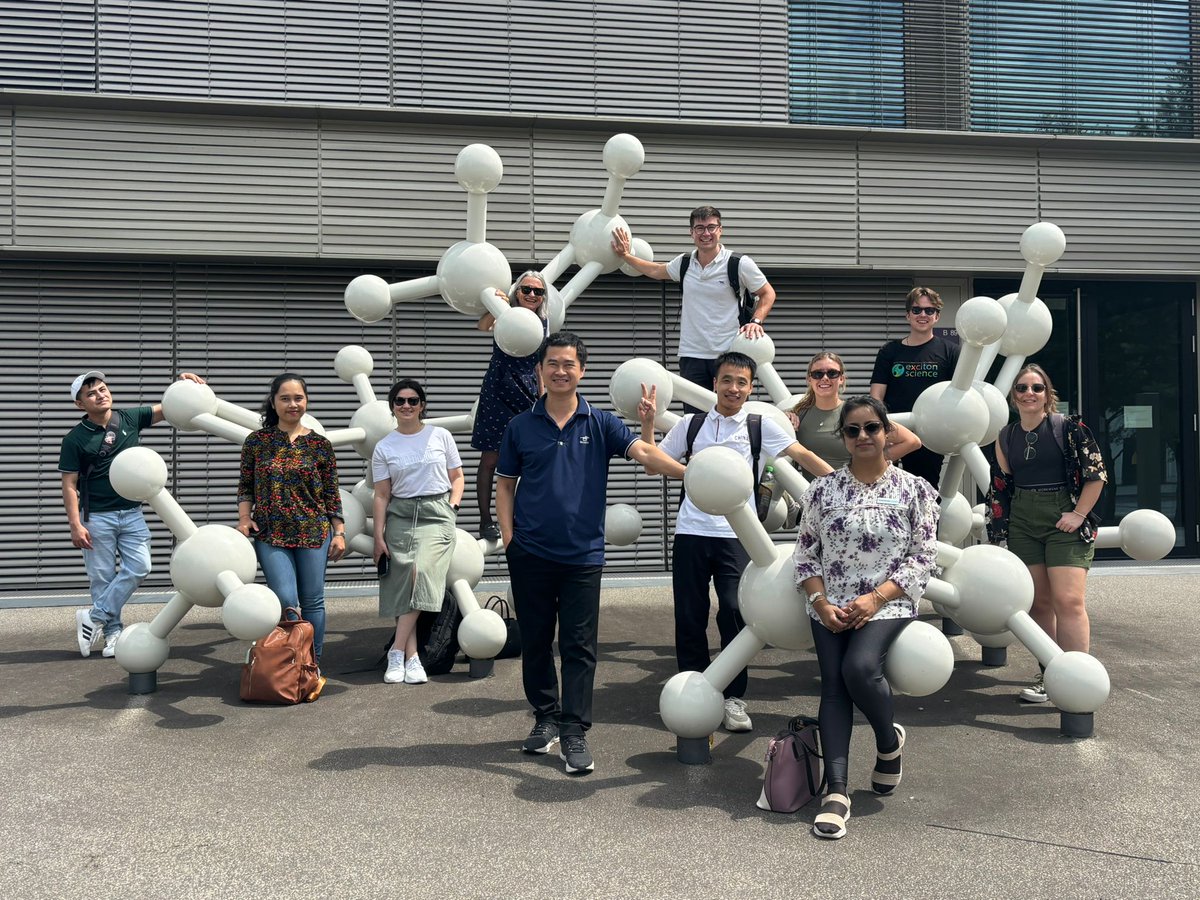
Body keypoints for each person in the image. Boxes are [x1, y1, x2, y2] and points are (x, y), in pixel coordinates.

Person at [496, 331, 685, 775]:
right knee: (538, 642)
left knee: (579, 647)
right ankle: (546, 717)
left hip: (582, 555)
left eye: (569, 364)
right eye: (552, 364)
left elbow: (644, 454)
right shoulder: (519, 426)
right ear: (540, 370)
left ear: (582, 371)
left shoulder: (600, 423)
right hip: (531, 553)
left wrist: (689, 474)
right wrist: (509, 540)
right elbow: (505, 485)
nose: (561, 371)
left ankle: (574, 729)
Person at [641, 350, 835, 733]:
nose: (733, 388)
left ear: (750, 387)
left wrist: (849, 487)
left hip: (737, 536)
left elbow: (803, 455)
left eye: (742, 382)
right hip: (692, 533)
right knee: (690, 616)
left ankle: (732, 697)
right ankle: (693, 692)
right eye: (726, 380)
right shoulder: (691, 425)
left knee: (734, 613)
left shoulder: (759, 426)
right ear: (714, 383)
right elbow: (651, 462)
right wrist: (655, 431)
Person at [793, 395, 939, 840]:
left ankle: (888, 744)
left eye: (871, 428)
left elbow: (923, 557)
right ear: (843, 437)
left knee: (859, 667)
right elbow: (805, 557)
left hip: (888, 602)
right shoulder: (820, 491)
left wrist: (875, 599)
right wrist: (820, 604)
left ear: (887, 432)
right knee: (834, 685)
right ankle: (837, 792)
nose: (863, 437)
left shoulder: (915, 490)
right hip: (831, 605)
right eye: (852, 430)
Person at [60, 369, 206, 658]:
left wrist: (185, 384)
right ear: (80, 404)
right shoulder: (75, 439)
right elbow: (69, 484)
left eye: (102, 389)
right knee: (102, 578)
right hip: (96, 516)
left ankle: (95, 616)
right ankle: (112, 633)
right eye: (91, 393)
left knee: (141, 566)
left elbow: (170, 409)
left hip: (131, 512)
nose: (100, 395)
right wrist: (75, 524)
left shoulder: (128, 418)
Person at [986, 364, 1106, 703]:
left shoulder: (1070, 429)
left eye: (1037, 388)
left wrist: (1079, 514)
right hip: (1024, 520)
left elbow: (1096, 475)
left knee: (1068, 601)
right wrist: (1000, 534)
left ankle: (1078, 678)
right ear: (1013, 396)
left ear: (1047, 394)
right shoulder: (1005, 437)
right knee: (1039, 603)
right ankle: (1050, 675)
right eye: (1022, 388)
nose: (1029, 393)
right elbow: (1000, 488)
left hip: (1063, 517)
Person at [237, 373, 344, 698]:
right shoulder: (257, 442)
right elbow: (246, 486)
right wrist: (244, 519)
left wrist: (338, 531)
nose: (292, 404)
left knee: (313, 601)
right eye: (285, 398)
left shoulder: (319, 445)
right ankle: (289, 662)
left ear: (306, 401)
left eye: (298, 398)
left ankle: (312, 666)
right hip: (271, 533)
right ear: (273, 403)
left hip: (314, 531)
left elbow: (331, 493)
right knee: (286, 601)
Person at [611, 206, 776, 413]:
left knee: (729, 415)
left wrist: (756, 321)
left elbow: (767, 293)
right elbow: (655, 270)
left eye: (711, 227)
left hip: (728, 353)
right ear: (692, 233)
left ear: (720, 230)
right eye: (699, 228)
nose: (705, 233)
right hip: (692, 355)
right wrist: (626, 256)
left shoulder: (738, 263)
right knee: (695, 418)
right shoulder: (685, 263)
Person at [372, 378, 465, 686]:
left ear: (422, 405)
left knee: (421, 572)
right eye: (400, 401)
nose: (407, 406)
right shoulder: (384, 446)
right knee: (402, 581)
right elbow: (382, 494)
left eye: (413, 400)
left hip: (436, 514)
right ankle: (410, 658)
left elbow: (457, 476)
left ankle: (395, 650)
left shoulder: (441, 435)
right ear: (392, 407)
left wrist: (452, 506)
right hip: (400, 515)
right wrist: (378, 536)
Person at [470, 271, 547, 542]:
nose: (532, 295)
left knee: (526, 459)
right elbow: (482, 326)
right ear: (517, 291)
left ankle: (520, 518)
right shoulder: (505, 312)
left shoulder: (544, 323)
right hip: (498, 390)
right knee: (490, 458)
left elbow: (541, 365)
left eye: (538, 292)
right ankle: (485, 520)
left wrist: (544, 397)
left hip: (527, 394)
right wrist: (498, 306)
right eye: (526, 289)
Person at [869, 287, 961, 491]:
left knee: (925, 491)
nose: (923, 315)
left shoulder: (951, 351)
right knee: (886, 490)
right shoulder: (889, 351)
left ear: (937, 316)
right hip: (894, 432)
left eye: (929, 311)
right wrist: (880, 428)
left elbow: (958, 396)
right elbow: (876, 395)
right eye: (917, 309)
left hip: (930, 434)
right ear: (907, 314)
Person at [789, 351, 922, 476]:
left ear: (841, 379)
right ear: (809, 379)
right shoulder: (798, 415)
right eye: (818, 374)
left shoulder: (856, 412)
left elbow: (912, 441)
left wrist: (874, 460)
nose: (825, 378)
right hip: (808, 495)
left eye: (832, 373)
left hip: (853, 496)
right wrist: (785, 417)